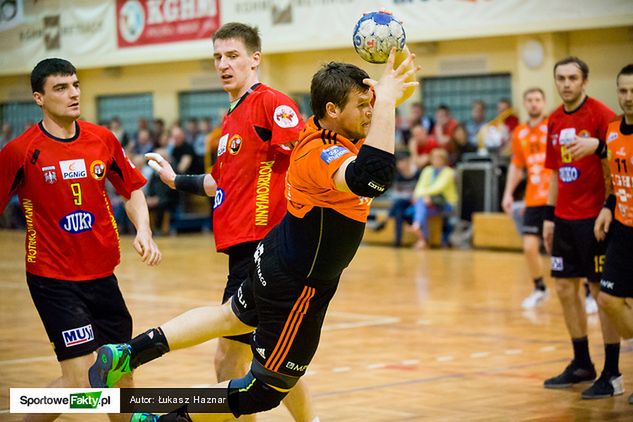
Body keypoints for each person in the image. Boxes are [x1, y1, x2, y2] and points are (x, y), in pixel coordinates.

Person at [88, 49, 419, 421]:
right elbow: (370, 179)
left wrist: (385, 104)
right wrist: (388, 102)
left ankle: (127, 353)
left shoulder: (333, 132)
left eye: (371, 103)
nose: (370, 111)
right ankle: (163, 418)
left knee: (230, 317)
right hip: (297, 285)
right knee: (262, 390)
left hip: (277, 255)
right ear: (331, 110)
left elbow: (369, 152)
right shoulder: (319, 151)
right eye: (362, 104)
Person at [0, 58, 162, 422]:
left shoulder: (102, 139)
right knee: (79, 386)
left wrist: (145, 230)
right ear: (38, 98)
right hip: (53, 280)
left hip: (103, 277)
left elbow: (132, 189)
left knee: (120, 375)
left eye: (75, 85)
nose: (73, 93)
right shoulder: (20, 152)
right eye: (61, 88)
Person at [542, 56, 622, 399]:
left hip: (595, 219)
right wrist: (548, 215)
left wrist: (610, 207)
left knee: (601, 294)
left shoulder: (603, 116)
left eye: (573, 78)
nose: (566, 84)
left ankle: (613, 372)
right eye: (561, 78)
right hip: (564, 218)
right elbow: (557, 171)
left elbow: (617, 165)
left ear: (585, 81)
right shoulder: (555, 119)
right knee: (563, 288)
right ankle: (581, 363)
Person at [594, 63, 633, 404]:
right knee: (608, 299)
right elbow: (613, 181)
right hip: (622, 225)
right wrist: (608, 207)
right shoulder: (612, 131)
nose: (628, 97)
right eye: (623, 91)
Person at [501, 88, 551, 309]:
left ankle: (588, 291)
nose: (533, 104)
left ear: (544, 102)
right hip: (533, 198)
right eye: (529, 100)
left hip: (555, 198)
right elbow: (517, 166)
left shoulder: (552, 127)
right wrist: (508, 193)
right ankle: (540, 288)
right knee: (530, 246)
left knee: (560, 248)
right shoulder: (519, 132)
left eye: (537, 100)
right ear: (524, 104)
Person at [411, 148, 457, 249]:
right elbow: (419, 186)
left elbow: (437, 188)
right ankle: (421, 234)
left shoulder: (448, 172)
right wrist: (419, 195)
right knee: (423, 208)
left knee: (421, 206)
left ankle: (420, 233)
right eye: (434, 158)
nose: (436, 161)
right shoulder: (427, 170)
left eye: (438, 158)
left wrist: (421, 195)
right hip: (428, 203)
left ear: (444, 160)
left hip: (446, 203)